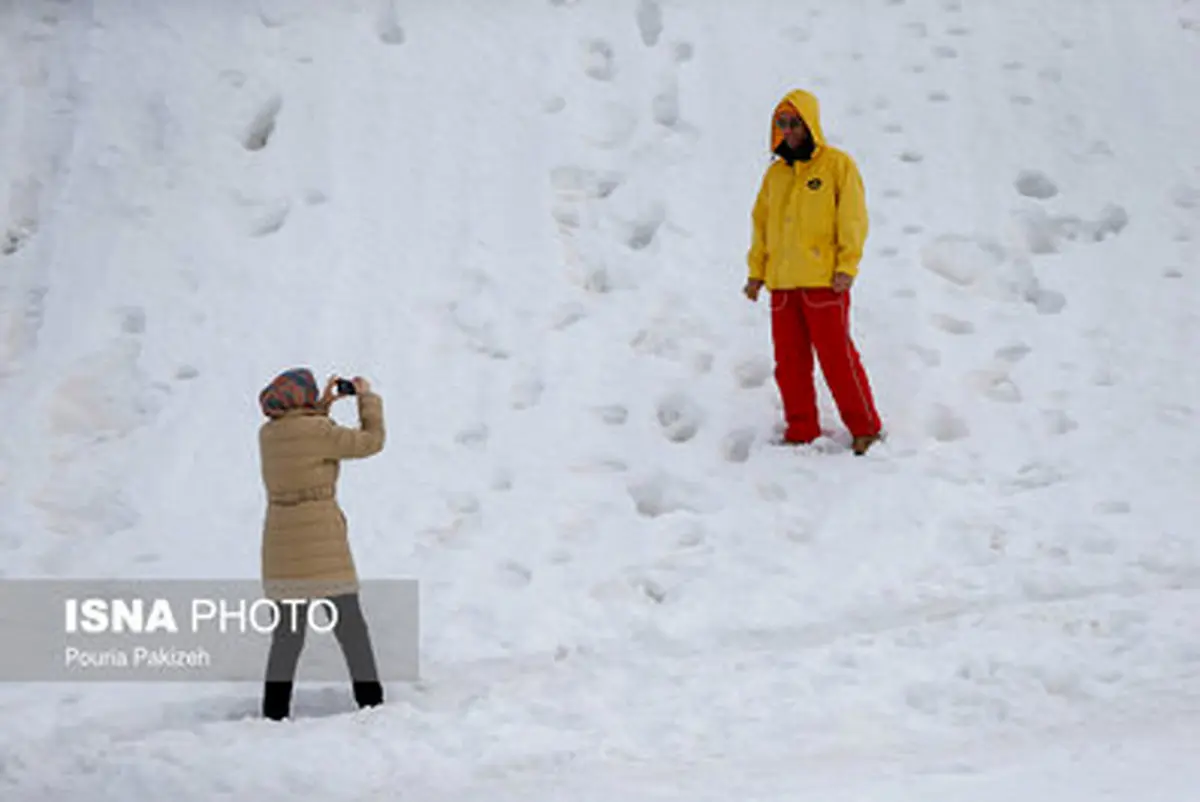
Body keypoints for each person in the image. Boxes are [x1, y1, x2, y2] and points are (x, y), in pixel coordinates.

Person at [744, 88, 884, 456]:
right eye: (781, 124)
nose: (787, 131)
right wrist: (756, 272)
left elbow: (852, 218)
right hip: (783, 284)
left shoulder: (837, 165)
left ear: (810, 124)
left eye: (793, 123)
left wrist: (846, 266)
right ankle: (801, 428)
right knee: (789, 364)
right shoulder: (775, 174)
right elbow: (761, 225)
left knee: (838, 360)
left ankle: (865, 428)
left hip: (824, 282)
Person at [255, 367, 386, 720]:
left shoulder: (269, 435)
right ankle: (372, 704)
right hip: (322, 544)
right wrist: (366, 399)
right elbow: (371, 441)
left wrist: (323, 407)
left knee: (287, 636)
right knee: (350, 628)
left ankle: (274, 714)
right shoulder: (318, 431)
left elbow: (306, 442)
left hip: (282, 548)